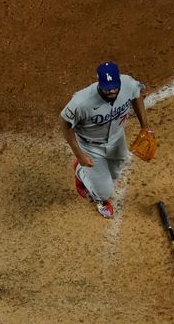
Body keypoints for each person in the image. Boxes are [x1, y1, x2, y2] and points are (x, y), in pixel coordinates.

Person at [60, 62, 151, 218]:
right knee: (105, 192)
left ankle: (89, 175)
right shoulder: (81, 103)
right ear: (98, 83)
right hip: (90, 147)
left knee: (115, 172)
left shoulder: (128, 83)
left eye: (115, 86)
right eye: (107, 87)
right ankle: (89, 184)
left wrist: (145, 127)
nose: (112, 90)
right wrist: (80, 155)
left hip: (117, 138)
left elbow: (137, 95)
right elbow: (65, 125)